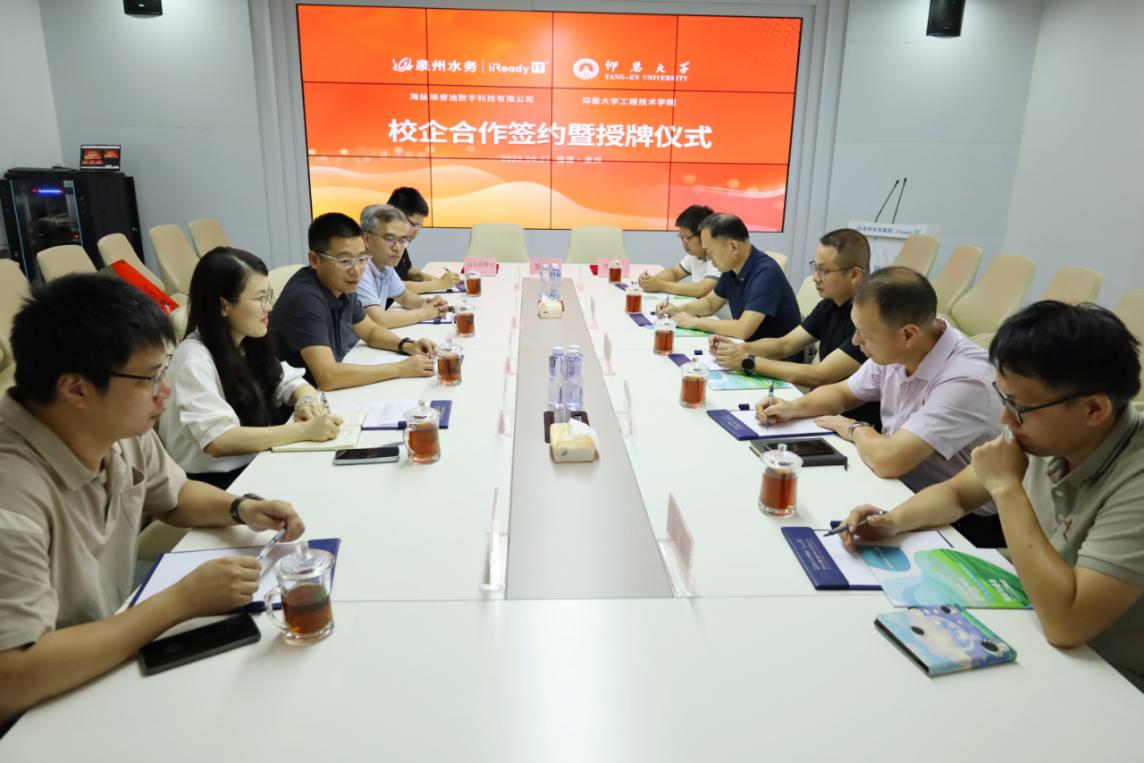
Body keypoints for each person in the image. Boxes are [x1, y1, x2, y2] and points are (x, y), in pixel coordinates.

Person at [0, 275, 305, 722]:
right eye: (151, 378)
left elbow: (174, 495)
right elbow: (13, 678)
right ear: (76, 388)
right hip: (36, 713)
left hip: (103, 659)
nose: (165, 392)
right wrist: (181, 601)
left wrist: (241, 508)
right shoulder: (12, 496)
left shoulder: (113, 425)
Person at [839, 301, 1144, 690]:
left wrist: (1006, 487)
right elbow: (956, 494)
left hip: (1108, 677)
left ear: (1094, 409)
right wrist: (891, 521)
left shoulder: (1133, 476)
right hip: (1032, 622)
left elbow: (1067, 624)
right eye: (1004, 399)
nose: (1005, 419)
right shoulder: (1047, 429)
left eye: (1018, 407)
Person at [758, 266, 1003, 545]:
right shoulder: (899, 346)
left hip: (961, 521)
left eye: (864, 334)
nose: (855, 341)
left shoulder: (966, 380)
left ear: (908, 334)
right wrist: (792, 407)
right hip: (900, 489)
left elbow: (889, 460)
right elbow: (842, 393)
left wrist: (855, 428)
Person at [159, 247, 343, 488]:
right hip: (216, 484)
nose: (269, 307)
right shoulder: (193, 359)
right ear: (224, 306)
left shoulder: (248, 339)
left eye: (269, 295)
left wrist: (306, 401)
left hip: (256, 463)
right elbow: (219, 440)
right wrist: (304, 430)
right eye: (259, 299)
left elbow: (289, 381)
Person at [712, 228, 880, 427]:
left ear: (854, 274)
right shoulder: (830, 304)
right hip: (820, 411)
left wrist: (748, 361)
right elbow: (785, 344)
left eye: (823, 271)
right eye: (815, 267)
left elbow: (820, 376)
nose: (815, 277)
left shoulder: (869, 320)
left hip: (853, 424)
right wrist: (736, 349)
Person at [269, 212, 435, 391]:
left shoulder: (342, 285)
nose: (356, 271)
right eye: (345, 261)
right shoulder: (304, 299)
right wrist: (400, 368)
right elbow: (328, 377)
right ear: (315, 260)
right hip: (299, 401)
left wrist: (407, 345)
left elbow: (370, 331)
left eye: (362, 259)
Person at [655, 213, 802, 354]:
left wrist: (693, 322)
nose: (708, 258)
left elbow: (743, 329)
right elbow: (710, 304)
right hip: (746, 349)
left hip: (775, 359)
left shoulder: (766, 273)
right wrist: (678, 310)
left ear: (733, 247)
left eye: (710, 251)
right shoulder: (732, 267)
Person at [358, 204, 450, 329]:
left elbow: (404, 296)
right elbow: (379, 320)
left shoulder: (384, 264)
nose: (397, 248)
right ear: (367, 238)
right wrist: (423, 313)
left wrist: (430, 303)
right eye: (389, 239)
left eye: (402, 240)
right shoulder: (359, 268)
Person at [637, 204, 729, 317]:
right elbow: (675, 273)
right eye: (681, 238)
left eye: (687, 238)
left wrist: (661, 285)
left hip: (719, 317)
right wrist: (651, 281)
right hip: (702, 313)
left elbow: (702, 289)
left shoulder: (720, 258)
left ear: (704, 235)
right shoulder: (695, 254)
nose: (684, 243)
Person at [386, 186, 462, 295]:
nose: (417, 231)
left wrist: (424, 277)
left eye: (420, 225)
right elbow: (392, 287)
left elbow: (406, 269)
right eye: (414, 224)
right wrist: (439, 284)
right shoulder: (378, 244)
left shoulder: (400, 241)